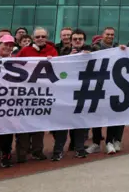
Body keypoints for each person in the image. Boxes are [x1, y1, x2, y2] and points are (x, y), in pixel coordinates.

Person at [15, 27, 58, 162]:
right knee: (23, 123)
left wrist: (54, 61)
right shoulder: (25, 50)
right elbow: (14, 65)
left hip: (42, 92)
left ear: (46, 38)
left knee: (39, 123)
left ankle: (37, 151)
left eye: (43, 36)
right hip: (26, 92)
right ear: (33, 38)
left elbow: (58, 69)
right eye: (38, 37)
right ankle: (22, 152)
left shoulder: (52, 50)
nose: (40, 39)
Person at [51, 28, 91, 161]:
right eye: (75, 39)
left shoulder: (92, 51)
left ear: (84, 40)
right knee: (63, 124)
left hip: (82, 93)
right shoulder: (63, 52)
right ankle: (58, 151)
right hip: (66, 94)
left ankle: (79, 148)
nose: (78, 41)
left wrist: (89, 56)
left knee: (80, 123)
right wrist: (69, 57)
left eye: (80, 39)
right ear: (71, 40)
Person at [87, 27, 122, 155]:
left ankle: (109, 142)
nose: (110, 36)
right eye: (108, 34)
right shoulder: (95, 48)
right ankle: (96, 143)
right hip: (98, 86)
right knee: (97, 116)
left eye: (112, 34)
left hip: (113, 86)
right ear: (103, 35)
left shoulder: (118, 48)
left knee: (112, 116)